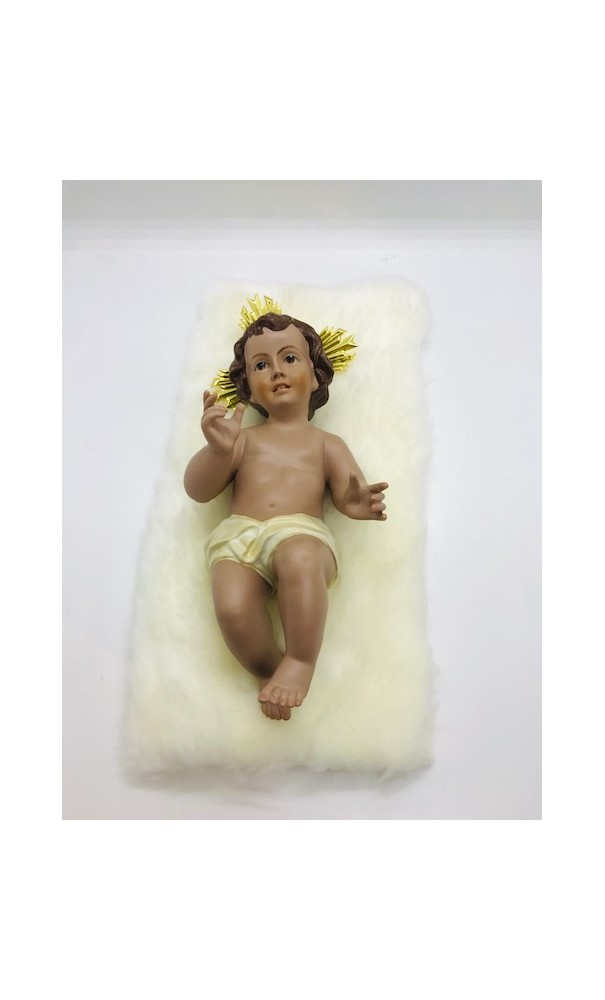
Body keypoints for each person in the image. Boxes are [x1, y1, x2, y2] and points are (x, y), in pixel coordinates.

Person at [184, 311, 389, 721]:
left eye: (290, 358)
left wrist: (355, 503)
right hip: (240, 535)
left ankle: (299, 660)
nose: (277, 371)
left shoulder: (327, 443)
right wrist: (219, 451)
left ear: (315, 375)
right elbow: (198, 490)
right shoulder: (243, 440)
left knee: (300, 559)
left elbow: (346, 494)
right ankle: (269, 669)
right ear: (249, 388)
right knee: (232, 607)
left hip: (301, 532)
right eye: (261, 365)